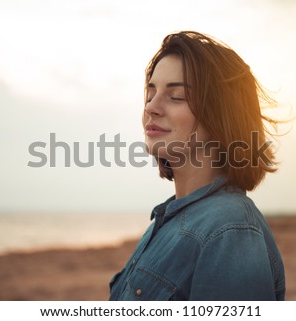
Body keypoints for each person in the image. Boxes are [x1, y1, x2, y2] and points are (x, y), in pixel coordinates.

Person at [109, 31, 285, 301]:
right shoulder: (167, 221)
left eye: (176, 96)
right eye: (150, 92)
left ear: (221, 114)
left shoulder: (228, 230)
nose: (151, 108)